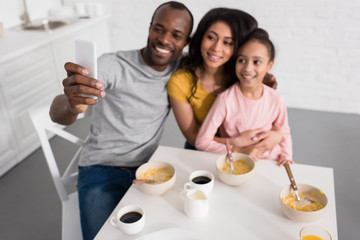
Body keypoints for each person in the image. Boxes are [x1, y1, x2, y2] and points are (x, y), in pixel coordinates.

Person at [49, 2, 193, 239]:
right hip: (101, 169)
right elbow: (57, 113)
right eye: (159, 29)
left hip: (150, 170)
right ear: (149, 28)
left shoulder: (181, 71)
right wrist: (71, 103)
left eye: (176, 35)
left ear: (186, 42)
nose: (165, 39)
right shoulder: (114, 65)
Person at [167, 8, 281, 152]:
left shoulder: (245, 76)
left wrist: (278, 134)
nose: (216, 48)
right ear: (201, 37)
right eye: (211, 37)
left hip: (249, 152)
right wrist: (235, 144)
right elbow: (193, 138)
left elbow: (271, 120)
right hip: (201, 151)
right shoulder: (180, 82)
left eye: (227, 42)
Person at [195, 28, 293, 166]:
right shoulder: (225, 99)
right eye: (242, 60)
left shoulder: (276, 99)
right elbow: (202, 142)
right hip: (238, 163)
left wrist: (286, 156)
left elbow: (284, 132)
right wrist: (237, 150)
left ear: (269, 65)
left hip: (272, 164)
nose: (247, 68)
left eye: (257, 62)